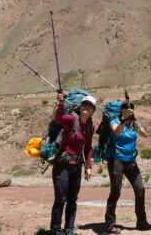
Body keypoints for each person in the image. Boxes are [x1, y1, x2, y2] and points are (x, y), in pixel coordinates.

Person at [51, 93, 96, 235]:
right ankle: (56, 231)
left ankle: (69, 229)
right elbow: (58, 119)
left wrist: (88, 166)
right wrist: (61, 104)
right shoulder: (71, 119)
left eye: (90, 106)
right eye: (84, 104)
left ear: (93, 110)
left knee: (72, 199)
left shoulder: (90, 126)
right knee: (61, 199)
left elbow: (88, 147)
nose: (86, 107)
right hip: (62, 165)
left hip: (77, 166)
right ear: (80, 106)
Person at [105, 101, 150, 234]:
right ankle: (110, 224)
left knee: (140, 189)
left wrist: (137, 126)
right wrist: (123, 120)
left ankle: (141, 222)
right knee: (115, 192)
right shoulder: (115, 120)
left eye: (130, 109)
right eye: (126, 109)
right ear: (121, 110)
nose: (128, 111)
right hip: (116, 160)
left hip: (131, 160)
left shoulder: (134, 123)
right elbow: (117, 132)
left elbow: (145, 135)